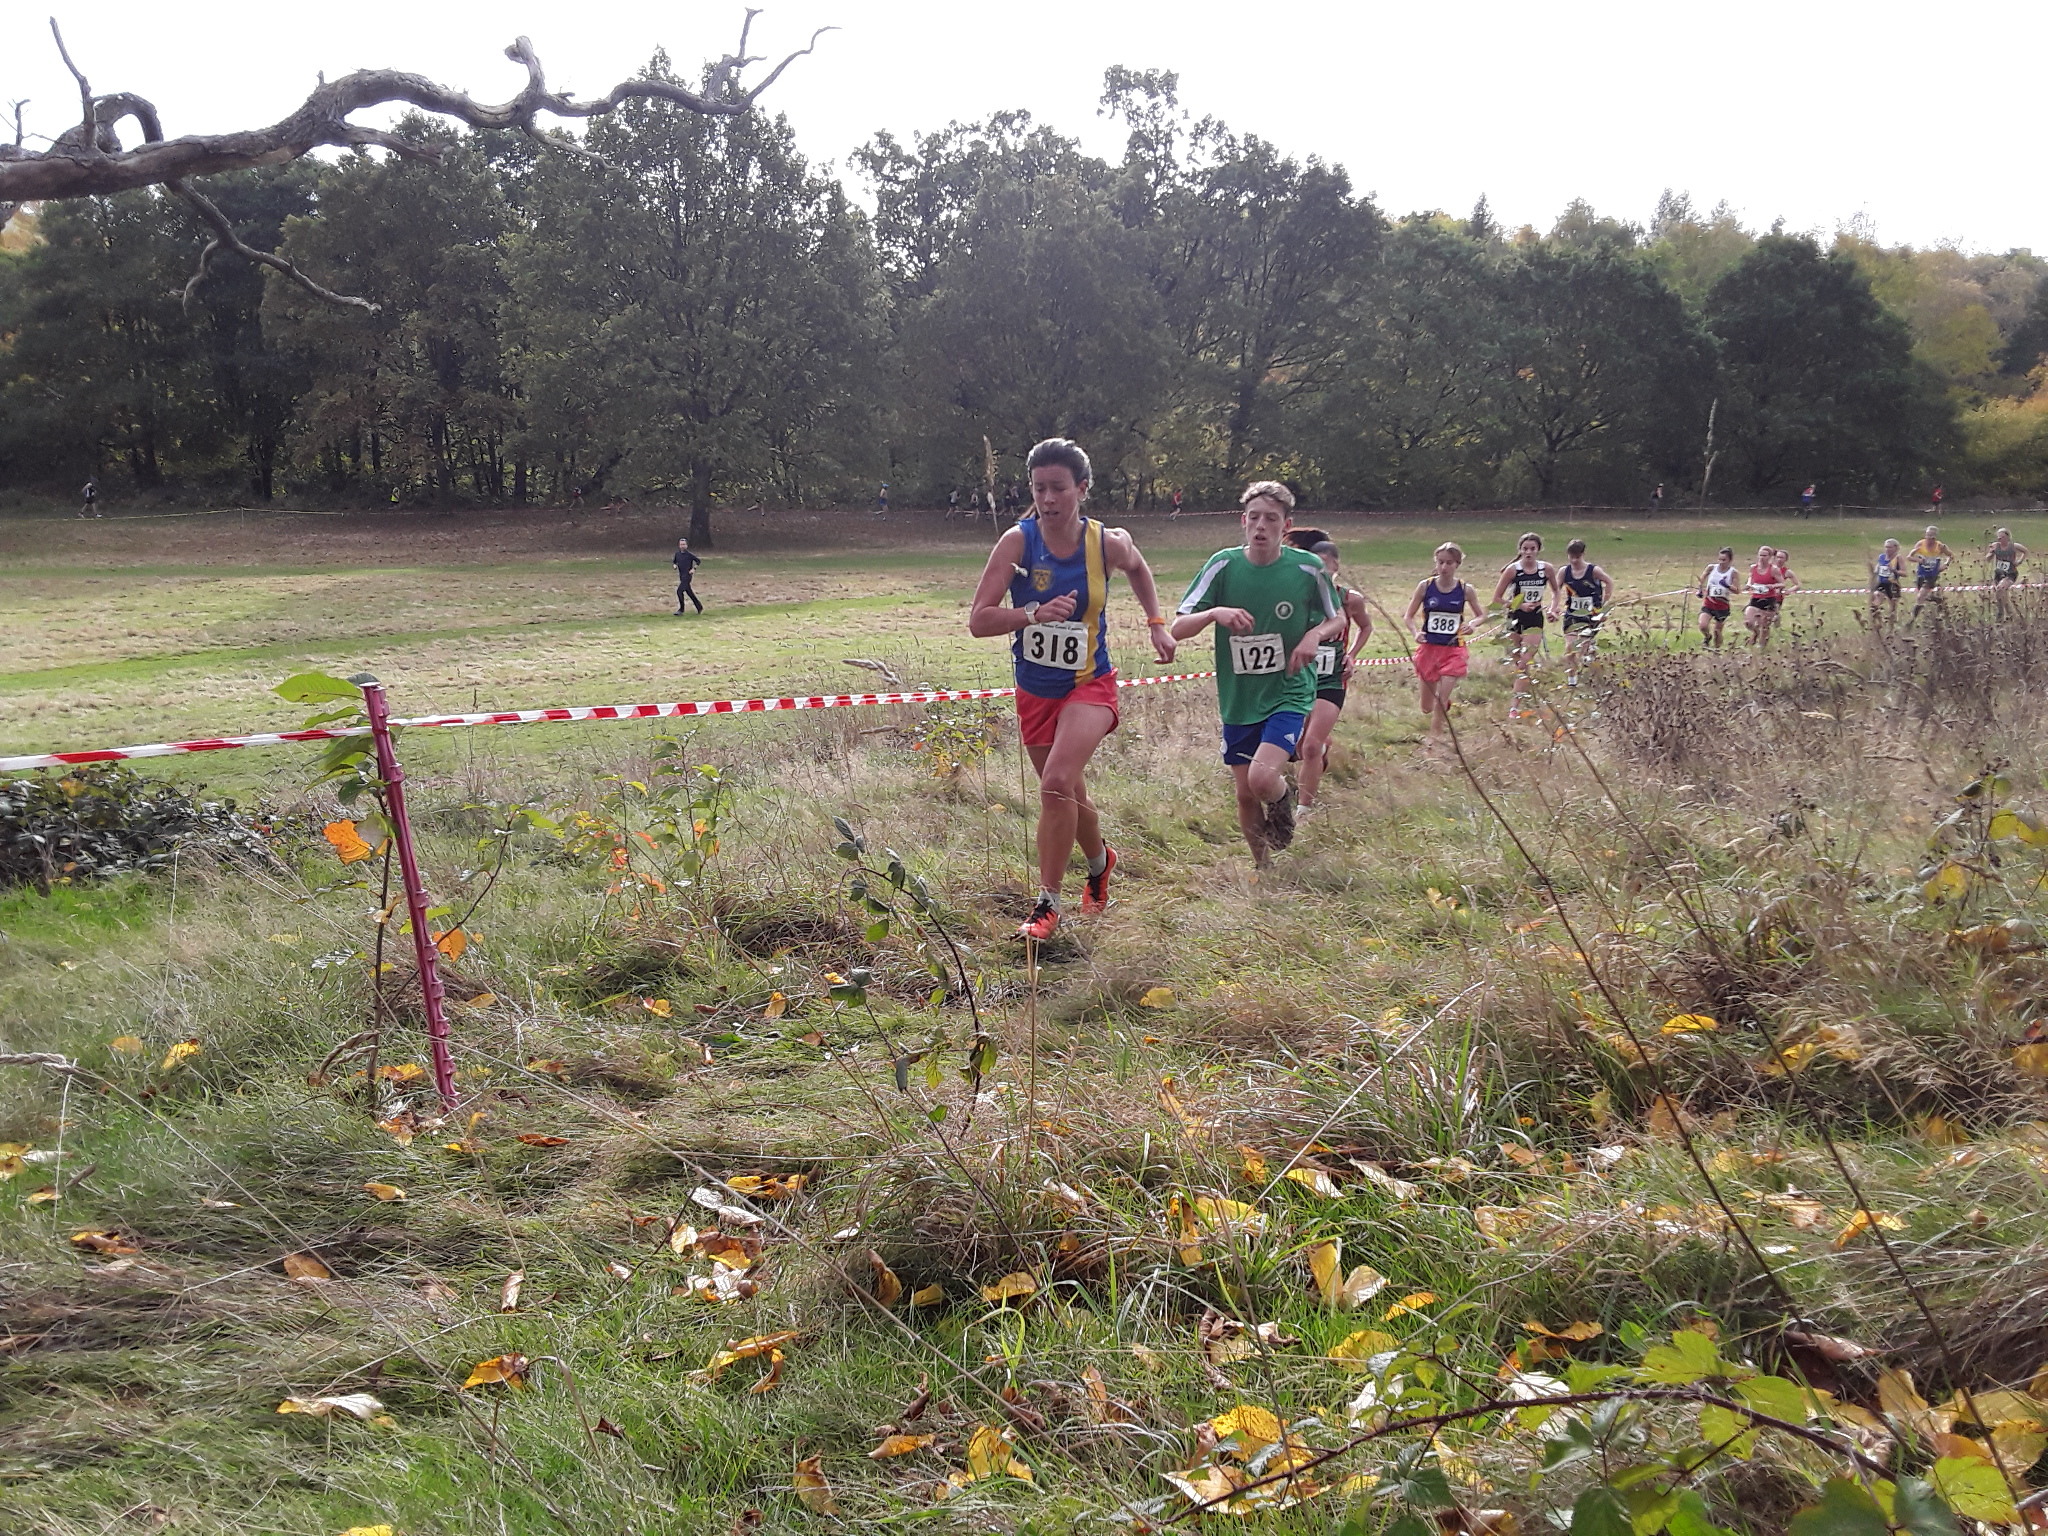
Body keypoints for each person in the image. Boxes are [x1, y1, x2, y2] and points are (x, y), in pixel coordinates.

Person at [968, 439, 1176, 941]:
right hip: (1035, 690)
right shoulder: (1016, 543)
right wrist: (1032, 614)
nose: (1048, 498)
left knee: (1057, 783)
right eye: (1039, 488)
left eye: (1058, 488)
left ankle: (1046, 906)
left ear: (1082, 489)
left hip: (1090, 683)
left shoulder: (1107, 543)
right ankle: (1101, 862)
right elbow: (979, 621)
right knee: (1068, 790)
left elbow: (1139, 568)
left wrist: (1155, 623)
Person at [1172, 483, 1342, 869]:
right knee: (1245, 794)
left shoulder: (1307, 568)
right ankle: (1262, 869)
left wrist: (1313, 636)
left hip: (1289, 688)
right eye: (1254, 517)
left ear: (1286, 525)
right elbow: (1178, 627)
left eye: (1271, 518)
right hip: (1240, 697)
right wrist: (1216, 614)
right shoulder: (1223, 565)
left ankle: (1283, 798)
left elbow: (1338, 617)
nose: (1261, 526)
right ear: (1242, 521)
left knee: (1261, 780)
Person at [1285, 530, 1374, 813]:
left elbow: (1366, 627)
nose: (1321, 570)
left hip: (1332, 679)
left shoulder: (1350, 599)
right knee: (1301, 747)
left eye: (1326, 564)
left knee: (1310, 746)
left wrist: (1352, 655)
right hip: (1300, 677)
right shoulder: (1298, 596)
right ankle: (1321, 750)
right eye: (1315, 564)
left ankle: (1304, 812)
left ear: (1336, 566)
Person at [1404, 542, 1485, 747]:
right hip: (1429, 649)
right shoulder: (1425, 586)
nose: (1444, 567)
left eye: (1449, 563)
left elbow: (1481, 614)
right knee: (1426, 706)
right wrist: (1416, 633)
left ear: (1457, 564)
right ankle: (1441, 708)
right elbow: (1408, 616)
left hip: (1453, 649)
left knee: (1441, 696)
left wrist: (1473, 624)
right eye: (1440, 562)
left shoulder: (1466, 590)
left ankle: (1435, 738)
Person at [1490, 533, 1556, 718]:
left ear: (1538, 550)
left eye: (1532, 549)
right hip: (1514, 618)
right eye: (1525, 549)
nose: (1528, 552)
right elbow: (1496, 599)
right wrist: (1517, 604)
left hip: (1534, 620)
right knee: (1517, 660)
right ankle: (1525, 689)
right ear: (1520, 550)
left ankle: (1514, 706)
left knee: (1524, 661)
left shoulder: (1546, 569)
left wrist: (1553, 608)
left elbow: (1557, 592)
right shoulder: (1513, 570)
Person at [1555, 538, 1613, 684]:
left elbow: (1609, 582)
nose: (1574, 560)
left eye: (1577, 557)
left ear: (1583, 554)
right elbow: (1556, 590)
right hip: (1572, 615)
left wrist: (1603, 604)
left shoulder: (1593, 570)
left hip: (1591, 615)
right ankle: (1572, 680)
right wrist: (1553, 607)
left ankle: (1594, 673)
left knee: (1584, 648)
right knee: (1570, 647)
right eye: (1571, 557)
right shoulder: (1564, 571)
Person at [1907, 526, 1951, 624]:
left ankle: (1911, 620)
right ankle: (1939, 601)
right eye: (1928, 535)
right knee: (1923, 596)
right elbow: (1909, 557)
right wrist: (1918, 560)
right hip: (1921, 573)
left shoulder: (1940, 546)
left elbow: (1950, 555)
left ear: (1935, 537)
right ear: (1925, 535)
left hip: (1932, 574)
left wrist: (1945, 565)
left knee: (1920, 597)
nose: (1930, 538)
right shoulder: (1920, 544)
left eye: (1932, 536)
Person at [1698, 547, 1740, 648]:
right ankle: (1707, 637)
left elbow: (1737, 590)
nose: (1721, 562)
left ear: (1730, 560)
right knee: (1703, 625)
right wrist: (1700, 589)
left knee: (1717, 631)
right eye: (1719, 559)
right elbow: (1702, 579)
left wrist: (1727, 585)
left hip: (1722, 605)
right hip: (1709, 602)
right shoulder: (1711, 568)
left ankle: (1716, 650)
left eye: (1724, 560)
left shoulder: (1733, 572)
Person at [1744, 545, 1785, 647]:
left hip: (1769, 600)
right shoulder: (1753, 567)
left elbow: (1782, 584)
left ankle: (1762, 647)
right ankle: (1755, 632)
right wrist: (1748, 585)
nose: (1762, 558)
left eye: (1765, 555)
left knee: (1765, 626)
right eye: (1760, 555)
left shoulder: (1773, 569)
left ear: (1770, 557)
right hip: (1755, 599)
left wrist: (1772, 586)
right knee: (1748, 622)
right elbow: (1751, 579)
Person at [1988, 528, 2029, 618]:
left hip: (2010, 573)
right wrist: (1991, 553)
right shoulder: (1995, 546)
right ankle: (2010, 615)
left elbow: (2025, 551)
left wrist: (2019, 561)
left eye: (2002, 537)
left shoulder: (2014, 546)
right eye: (1998, 538)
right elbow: (1987, 559)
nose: (2000, 540)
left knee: (2000, 589)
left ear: (2007, 537)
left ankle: (2000, 614)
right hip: (1998, 574)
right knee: (2001, 595)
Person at [1870, 538, 1903, 627]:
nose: (1887, 549)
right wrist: (1875, 571)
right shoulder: (1881, 557)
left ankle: (1891, 624)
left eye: (1890, 547)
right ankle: (1876, 622)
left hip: (1893, 584)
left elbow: (1904, 573)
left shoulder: (1898, 558)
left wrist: (1894, 570)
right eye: (1886, 547)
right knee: (1876, 599)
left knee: (1892, 607)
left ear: (1895, 548)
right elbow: (1878, 568)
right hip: (1882, 583)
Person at [672, 538, 704, 615]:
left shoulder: (689, 555)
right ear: (679, 545)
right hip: (681, 576)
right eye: (681, 544)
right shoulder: (677, 554)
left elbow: (698, 561)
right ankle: (699, 607)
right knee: (689, 593)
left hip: (687, 576)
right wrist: (674, 565)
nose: (682, 546)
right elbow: (674, 561)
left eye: (684, 544)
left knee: (679, 591)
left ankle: (681, 610)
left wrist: (694, 569)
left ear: (686, 545)